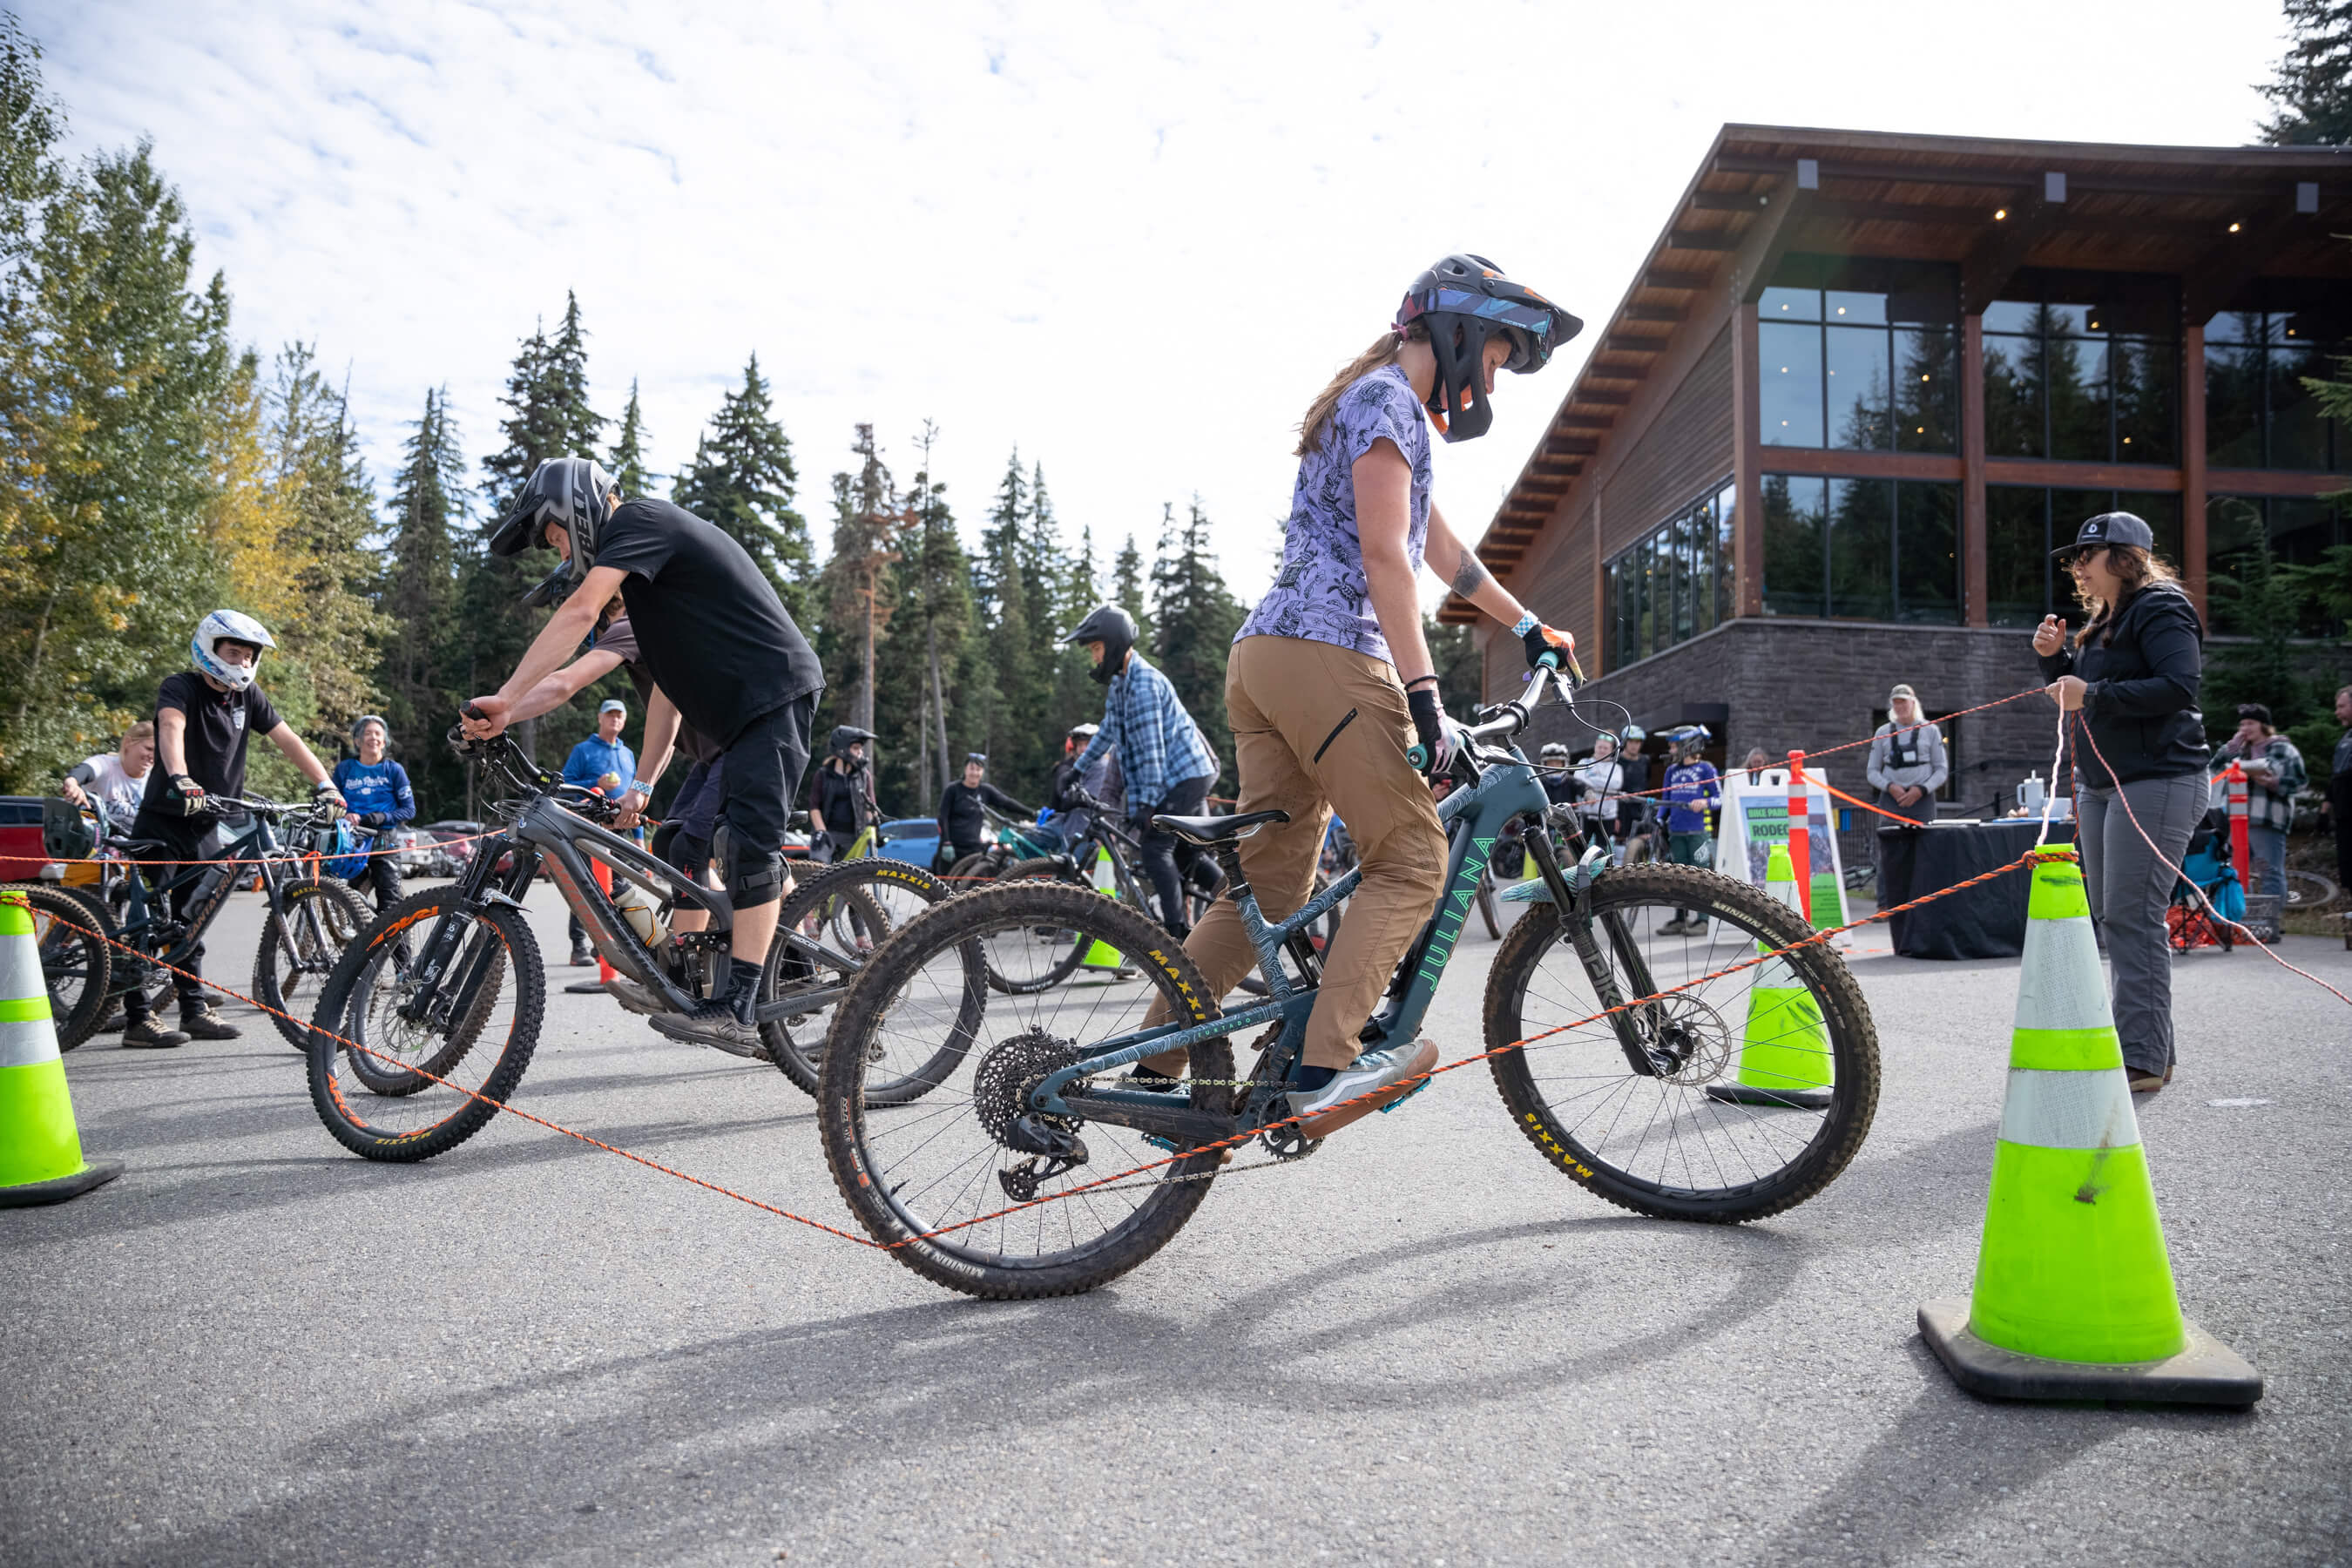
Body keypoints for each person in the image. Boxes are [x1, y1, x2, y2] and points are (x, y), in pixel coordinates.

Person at [1132, 253, 1581, 1139]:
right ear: (1457, 330)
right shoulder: (1386, 403)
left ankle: (1151, 1071)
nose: (1495, 374)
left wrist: (1528, 624)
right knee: (1413, 862)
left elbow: (1443, 554)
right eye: (1496, 352)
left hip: (1270, 658)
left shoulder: (1382, 405)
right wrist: (1422, 691)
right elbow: (1385, 557)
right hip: (1328, 654)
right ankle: (1325, 1071)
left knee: (1266, 878)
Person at [468, 456, 825, 1056]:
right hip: (735, 718)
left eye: (554, 537)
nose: (559, 554)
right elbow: (665, 701)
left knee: (745, 848)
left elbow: (579, 611)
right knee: (687, 843)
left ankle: (736, 1009)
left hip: (773, 692)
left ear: (572, 507)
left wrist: (505, 699)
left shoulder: (639, 521)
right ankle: (720, 965)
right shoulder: (649, 595)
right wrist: (647, 780)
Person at [2033, 511, 2207, 1095]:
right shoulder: (2105, 619)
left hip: (2158, 779)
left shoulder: (2161, 607)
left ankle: (2141, 1058)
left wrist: (2093, 691)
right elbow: (2076, 698)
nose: (2078, 566)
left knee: (2132, 917)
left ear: (2126, 558)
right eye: (2076, 558)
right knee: (2116, 918)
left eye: (2089, 555)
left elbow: (2180, 686)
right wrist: (2053, 661)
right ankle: (2152, 1051)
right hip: (2107, 783)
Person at [121, 611, 347, 1049]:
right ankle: (137, 1016)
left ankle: (192, 1010)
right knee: (150, 917)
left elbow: (289, 740)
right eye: (233, 652)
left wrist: (326, 785)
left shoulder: (249, 698)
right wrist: (181, 778)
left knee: (193, 919)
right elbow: (171, 728)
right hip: (165, 819)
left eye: (248, 655)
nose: (242, 662)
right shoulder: (180, 686)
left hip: (208, 822)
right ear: (210, 649)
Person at [500, 588, 729, 1016]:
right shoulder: (656, 638)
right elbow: (666, 717)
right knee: (671, 848)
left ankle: (694, 976)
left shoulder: (629, 624)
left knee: (689, 850)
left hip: (735, 749)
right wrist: (640, 788)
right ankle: (708, 939)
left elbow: (564, 681)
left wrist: (501, 711)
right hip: (711, 756)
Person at [1061, 604, 1223, 936]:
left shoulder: (1144, 684)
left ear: (1114, 643)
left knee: (1154, 849)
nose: (1094, 657)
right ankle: (1234, 899)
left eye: (1096, 648)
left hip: (1186, 775)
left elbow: (1152, 752)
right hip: (1173, 778)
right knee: (1181, 855)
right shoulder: (1121, 683)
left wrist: (1147, 805)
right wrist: (1077, 770)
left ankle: (1176, 936)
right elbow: (1107, 730)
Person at [558, 698, 638, 965]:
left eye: (619, 715)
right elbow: (565, 784)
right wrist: (597, 783)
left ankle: (608, 943)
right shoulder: (583, 750)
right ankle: (579, 945)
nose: (615, 719)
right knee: (586, 885)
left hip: (619, 829)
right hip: (588, 827)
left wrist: (638, 840)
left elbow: (633, 794)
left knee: (619, 887)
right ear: (600, 718)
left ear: (624, 721)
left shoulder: (628, 755)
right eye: (610, 714)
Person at [2210, 702, 2306, 902]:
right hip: (2235, 820)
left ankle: (2271, 923)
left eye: (2250, 723)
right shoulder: (2239, 750)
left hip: (2266, 820)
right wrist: (2233, 746)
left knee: (2269, 870)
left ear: (2263, 725)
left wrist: (2274, 782)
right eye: (2242, 724)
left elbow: (2299, 782)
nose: (2245, 729)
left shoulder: (2282, 748)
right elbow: (2216, 767)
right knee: (2235, 871)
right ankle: (2243, 920)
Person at [331, 715, 416, 912]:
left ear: (384, 742)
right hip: (353, 838)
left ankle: (400, 944)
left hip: (384, 839)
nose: (374, 738)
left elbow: (409, 810)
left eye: (378, 734)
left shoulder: (394, 770)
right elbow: (333, 802)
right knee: (349, 901)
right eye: (368, 733)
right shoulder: (345, 769)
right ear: (357, 741)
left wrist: (382, 817)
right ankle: (355, 940)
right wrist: (344, 815)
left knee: (390, 902)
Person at [1659, 726, 1720, 936]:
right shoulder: (1671, 771)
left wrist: (1705, 802)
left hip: (1698, 832)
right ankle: (1680, 918)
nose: (1671, 749)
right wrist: (1659, 819)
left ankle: (1703, 920)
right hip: (1676, 831)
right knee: (1678, 875)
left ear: (1687, 746)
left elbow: (1719, 799)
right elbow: (1666, 799)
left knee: (1701, 875)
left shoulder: (1706, 768)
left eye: (1674, 745)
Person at [1866, 684, 1947, 828]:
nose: (1900, 706)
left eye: (1903, 702)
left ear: (1913, 703)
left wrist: (1922, 790)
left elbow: (1941, 770)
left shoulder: (1931, 730)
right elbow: (1872, 771)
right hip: (1892, 801)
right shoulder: (1882, 733)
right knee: (1891, 845)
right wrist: (1890, 787)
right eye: (1895, 703)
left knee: (1926, 846)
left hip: (1922, 800)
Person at [936, 754, 1028, 868]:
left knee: (975, 882)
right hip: (952, 847)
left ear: (983, 772)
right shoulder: (953, 790)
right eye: (972, 769)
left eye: (978, 770)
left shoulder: (985, 790)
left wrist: (1032, 813)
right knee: (946, 882)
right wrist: (946, 842)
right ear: (965, 769)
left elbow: (1007, 803)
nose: (974, 773)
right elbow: (942, 817)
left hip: (973, 847)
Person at [61, 720, 155, 828]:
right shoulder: (106, 764)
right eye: (149, 749)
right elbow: (83, 771)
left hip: (134, 842)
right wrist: (72, 783)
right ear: (128, 742)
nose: (153, 756)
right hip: (94, 839)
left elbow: (178, 785)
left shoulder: (154, 781)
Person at [812, 726, 878, 862]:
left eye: (861, 748)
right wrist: (822, 832)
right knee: (817, 871)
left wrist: (874, 828)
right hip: (827, 833)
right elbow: (814, 807)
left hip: (853, 836)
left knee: (849, 879)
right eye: (855, 748)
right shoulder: (823, 775)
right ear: (842, 749)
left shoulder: (864, 776)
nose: (860, 752)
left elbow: (870, 806)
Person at [1575, 733, 1625, 840]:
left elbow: (1616, 784)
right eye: (1599, 747)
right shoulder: (1583, 762)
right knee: (1581, 847)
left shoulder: (1616, 768)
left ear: (1612, 750)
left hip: (1607, 816)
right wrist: (1604, 782)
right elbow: (1578, 781)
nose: (1602, 750)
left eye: (1606, 748)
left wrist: (1591, 780)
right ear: (1595, 747)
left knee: (1603, 848)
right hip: (1585, 815)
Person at [2331, 686, 2352, 905]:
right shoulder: (2346, 738)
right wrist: (2326, 807)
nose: (2337, 712)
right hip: (2344, 817)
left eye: (2342, 706)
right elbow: (2336, 775)